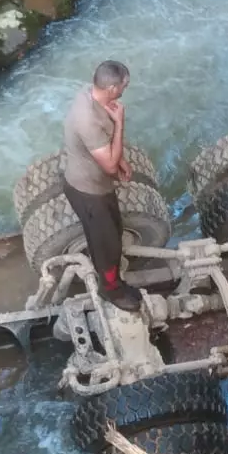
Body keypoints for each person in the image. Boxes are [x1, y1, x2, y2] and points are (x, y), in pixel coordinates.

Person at [62, 59, 142, 311]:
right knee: (107, 245)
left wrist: (123, 162)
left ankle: (113, 279)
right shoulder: (88, 119)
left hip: (97, 185)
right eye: (123, 85)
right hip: (88, 192)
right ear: (110, 88)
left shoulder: (92, 96)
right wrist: (120, 123)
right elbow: (108, 165)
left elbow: (109, 156)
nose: (125, 89)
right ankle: (111, 291)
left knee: (112, 233)